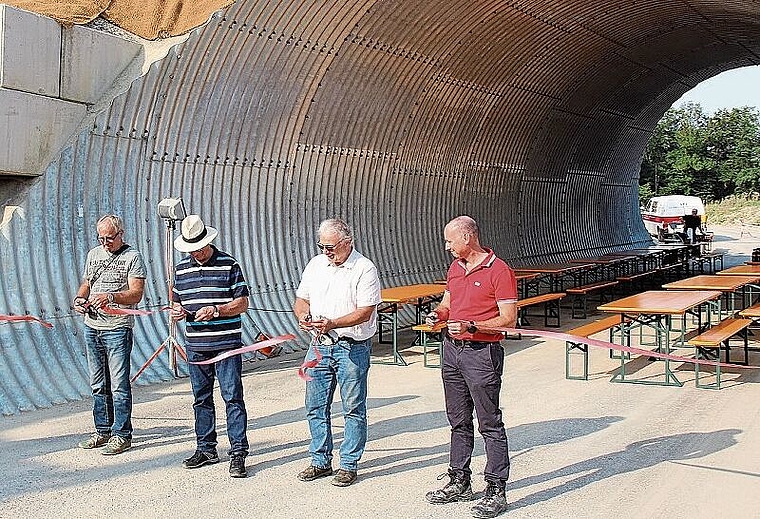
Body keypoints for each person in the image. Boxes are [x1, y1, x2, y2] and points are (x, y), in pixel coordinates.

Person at [424, 215, 517, 519]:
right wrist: (437, 314)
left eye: (450, 240)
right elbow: (447, 302)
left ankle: (495, 488)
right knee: (458, 419)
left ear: (467, 237)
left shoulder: (499, 271)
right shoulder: (454, 268)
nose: (447, 246)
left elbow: (509, 319)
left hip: (481, 353)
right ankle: (459, 479)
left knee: (489, 422)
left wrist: (472, 325)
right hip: (452, 351)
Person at [293, 218, 381, 487]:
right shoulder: (316, 265)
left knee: (353, 407)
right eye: (322, 246)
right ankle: (320, 460)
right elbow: (301, 299)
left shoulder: (364, 269)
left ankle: (349, 464)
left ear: (347, 242)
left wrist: (333, 323)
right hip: (319, 345)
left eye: (330, 247)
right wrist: (304, 315)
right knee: (315, 405)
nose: (326, 252)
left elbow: (365, 312)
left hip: (351, 347)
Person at [170, 214, 251, 478]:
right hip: (196, 345)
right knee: (201, 398)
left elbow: (242, 303)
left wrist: (217, 310)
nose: (197, 253)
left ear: (209, 241)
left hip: (226, 343)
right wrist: (177, 311)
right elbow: (176, 302)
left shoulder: (229, 264)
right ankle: (206, 449)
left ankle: (238, 452)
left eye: (200, 248)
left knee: (232, 396)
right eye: (192, 249)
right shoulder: (180, 270)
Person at [73, 214, 146, 455]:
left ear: (120, 234)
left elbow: (136, 294)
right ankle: (102, 430)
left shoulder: (132, 257)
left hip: (117, 328)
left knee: (118, 385)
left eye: (110, 238)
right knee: (97, 384)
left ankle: (122, 434)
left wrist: (111, 297)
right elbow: (87, 282)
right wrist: (80, 298)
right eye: (101, 238)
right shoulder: (93, 255)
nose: (105, 243)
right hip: (92, 326)